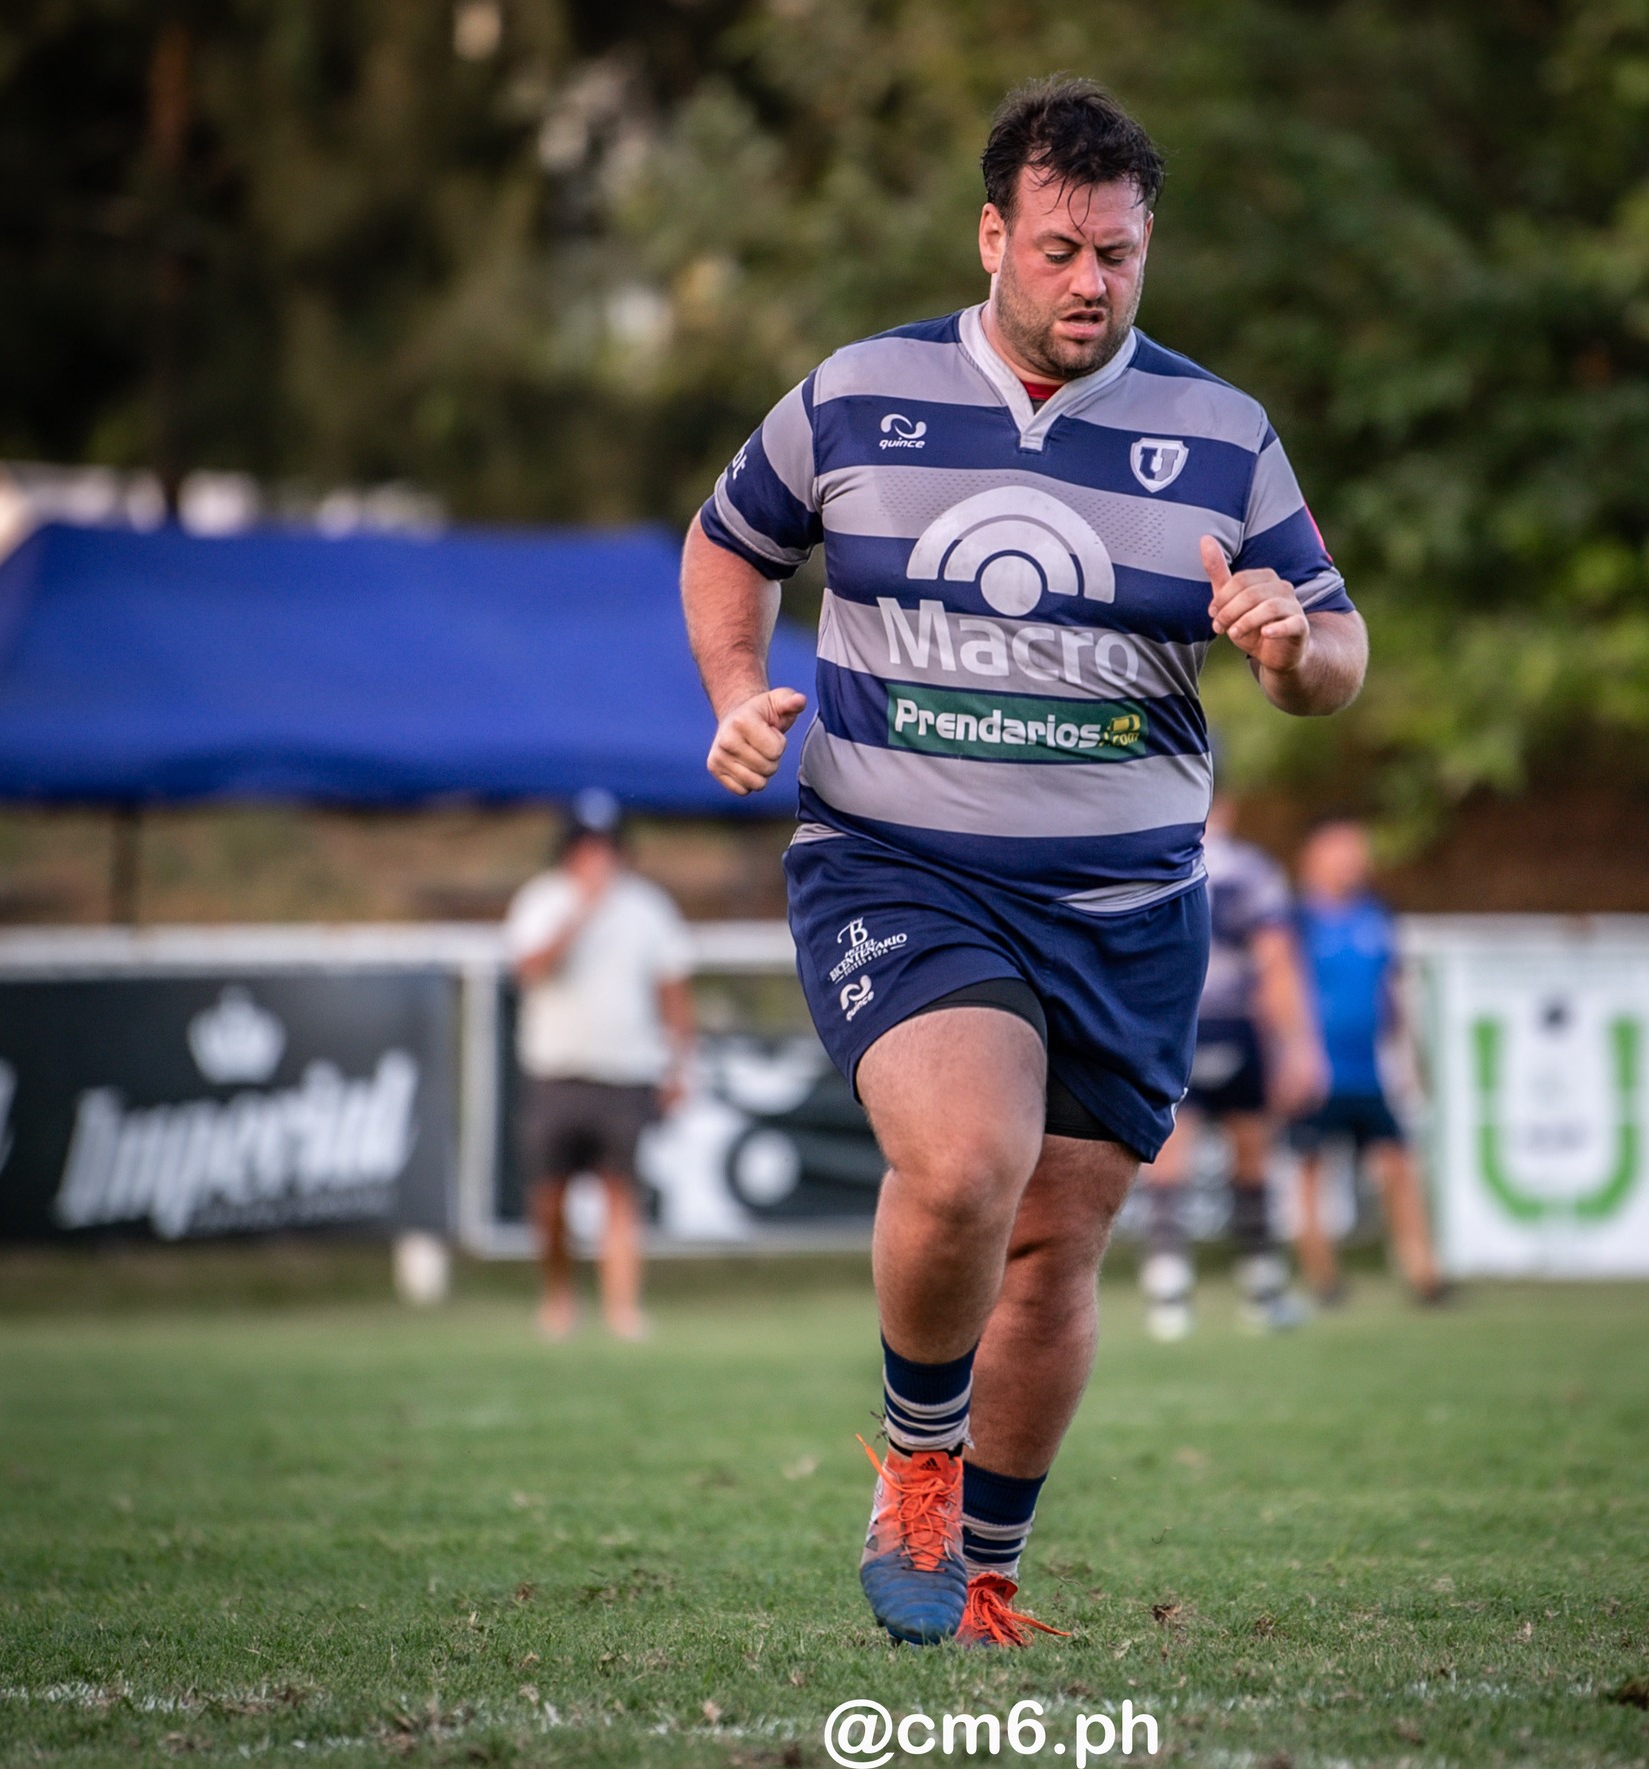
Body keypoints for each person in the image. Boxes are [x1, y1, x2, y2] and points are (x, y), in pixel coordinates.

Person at [681, 77, 1368, 1647]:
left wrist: (1288, 649)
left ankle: (983, 1572)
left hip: (1127, 910)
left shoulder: (1221, 431)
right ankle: (918, 1463)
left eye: (1119, 254)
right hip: (898, 866)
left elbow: (1338, 652)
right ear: (991, 238)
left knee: (1057, 1252)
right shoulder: (859, 394)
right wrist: (734, 693)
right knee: (964, 1163)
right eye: (1060, 249)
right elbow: (730, 539)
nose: (1091, 282)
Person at [504, 788, 696, 1341]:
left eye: (606, 845)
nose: (597, 857)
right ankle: (558, 1299)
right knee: (550, 1197)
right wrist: (580, 913)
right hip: (557, 1072)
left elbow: (673, 994)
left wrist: (680, 1067)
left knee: (620, 1192)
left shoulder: (649, 907)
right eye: (586, 845)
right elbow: (528, 969)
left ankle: (621, 1309)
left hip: (626, 1072)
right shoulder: (541, 900)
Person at [1138, 794, 1325, 1339]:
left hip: (1172, 1022)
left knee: (1168, 1157)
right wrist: (1296, 1045)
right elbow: (1275, 958)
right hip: (1235, 1023)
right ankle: (1261, 1290)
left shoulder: (1147, 856)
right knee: (1252, 1154)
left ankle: (1168, 1295)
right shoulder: (1250, 868)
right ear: (1228, 804)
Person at [1288, 819, 1447, 1306]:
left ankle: (1424, 1275)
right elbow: (1281, 990)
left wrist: (1406, 1056)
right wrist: (1293, 1054)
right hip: (1317, 1073)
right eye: (1340, 851)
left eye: (1357, 852)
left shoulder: (1377, 916)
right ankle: (1323, 1280)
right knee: (1311, 1172)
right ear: (1313, 857)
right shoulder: (1296, 920)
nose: (1351, 861)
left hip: (1370, 1072)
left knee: (1399, 1167)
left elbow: (1392, 992)